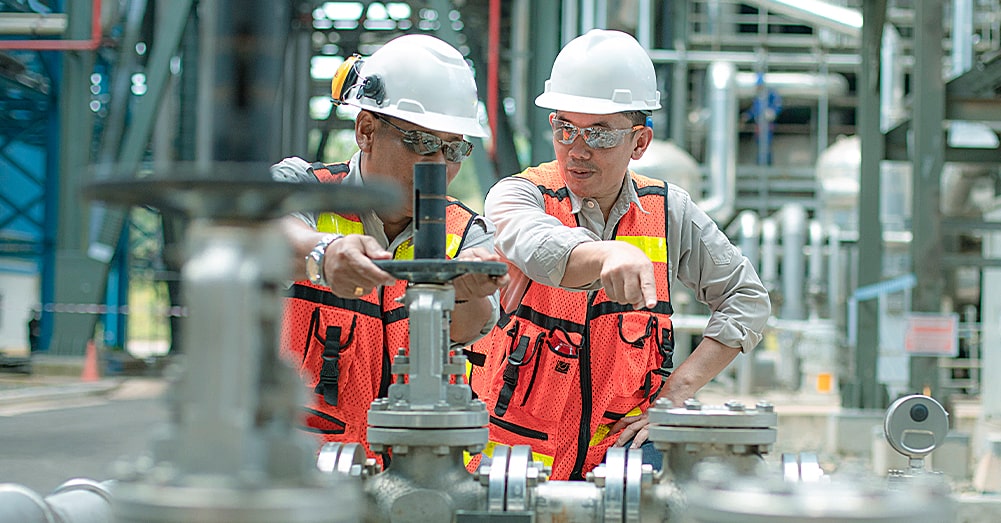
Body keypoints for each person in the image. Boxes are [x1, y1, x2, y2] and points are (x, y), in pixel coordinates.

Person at [467, 29, 770, 481]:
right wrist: (606, 255)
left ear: (640, 143)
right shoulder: (519, 194)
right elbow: (539, 246)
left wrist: (675, 396)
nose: (577, 148)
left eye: (600, 133)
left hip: (618, 464)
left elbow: (746, 297)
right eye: (564, 127)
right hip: (511, 467)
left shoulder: (668, 210)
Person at [272, 34, 509, 466]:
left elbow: (473, 323)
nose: (438, 166)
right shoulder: (305, 188)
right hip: (305, 475)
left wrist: (465, 290)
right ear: (366, 131)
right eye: (420, 143)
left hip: (423, 476)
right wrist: (323, 254)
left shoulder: (469, 231)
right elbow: (262, 230)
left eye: (453, 149)